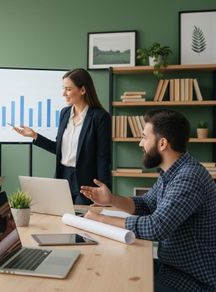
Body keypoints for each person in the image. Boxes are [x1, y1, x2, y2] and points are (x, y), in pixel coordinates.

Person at [81, 109, 216, 292]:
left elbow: (155, 227)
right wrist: (111, 199)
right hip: (170, 267)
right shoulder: (171, 172)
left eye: (144, 137)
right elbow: (147, 205)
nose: (140, 143)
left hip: (191, 281)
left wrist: (100, 220)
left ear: (162, 143)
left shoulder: (188, 178)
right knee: (110, 269)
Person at [14, 68, 111, 204]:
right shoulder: (64, 113)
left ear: (82, 90)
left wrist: (105, 191)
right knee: (61, 220)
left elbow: (103, 158)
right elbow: (60, 149)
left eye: (68, 89)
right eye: (63, 88)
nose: (63, 93)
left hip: (86, 183)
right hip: (62, 178)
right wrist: (35, 136)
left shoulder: (100, 117)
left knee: (80, 222)